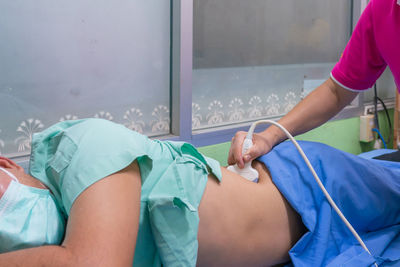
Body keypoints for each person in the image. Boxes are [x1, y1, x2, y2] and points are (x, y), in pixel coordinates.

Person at [0, 118, 399, 266]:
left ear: (8, 165)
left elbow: (95, 264)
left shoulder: (79, 147)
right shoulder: (60, 236)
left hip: (310, 183)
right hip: (311, 246)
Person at [228, 0, 400, 169]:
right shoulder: (382, 8)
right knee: (312, 161)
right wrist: (269, 136)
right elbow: (336, 91)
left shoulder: (322, 27)